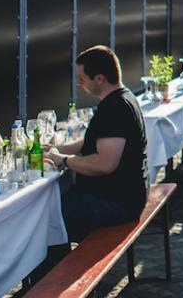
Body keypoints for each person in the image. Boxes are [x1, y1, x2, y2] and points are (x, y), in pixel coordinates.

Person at [46, 47, 148, 242]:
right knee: (53, 206)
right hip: (126, 197)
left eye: (82, 78)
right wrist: (57, 150)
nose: (78, 82)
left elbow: (104, 164)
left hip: (117, 204)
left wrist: (63, 160)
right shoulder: (122, 98)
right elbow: (93, 140)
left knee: (47, 216)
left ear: (99, 79)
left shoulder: (114, 108)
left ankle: (64, 271)